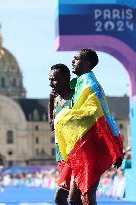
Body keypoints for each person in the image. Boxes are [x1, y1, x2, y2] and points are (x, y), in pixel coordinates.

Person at [54, 48, 123, 205]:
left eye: (77, 58)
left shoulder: (91, 86)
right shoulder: (79, 83)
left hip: (92, 147)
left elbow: (104, 115)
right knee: (75, 198)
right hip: (82, 149)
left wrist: (116, 146)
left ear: (87, 63)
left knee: (86, 195)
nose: (73, 61)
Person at [49, 63, 82, 205]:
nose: (51, 83)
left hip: (74, 154)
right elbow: (52, 125)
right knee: (76, 199)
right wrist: (50, 102)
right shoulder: (57, 100)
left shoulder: (76, 97)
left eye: (55, 79)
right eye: (49, 79)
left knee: (60, 197)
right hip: (60, 154)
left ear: (67, 78)